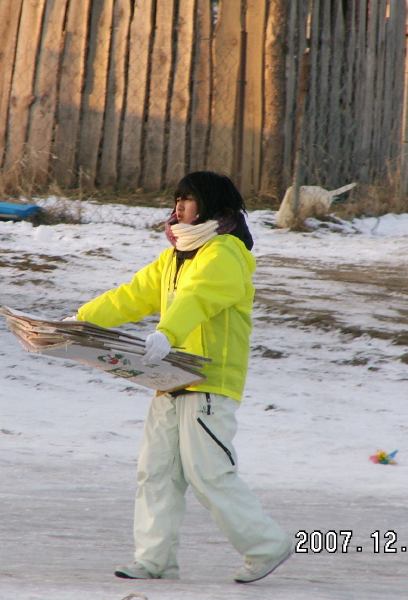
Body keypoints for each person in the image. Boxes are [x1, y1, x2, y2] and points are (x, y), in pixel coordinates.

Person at [71, 171, 292, 583]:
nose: (178, 208)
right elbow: (133, 294)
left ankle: (266, 545)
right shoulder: (174, 257)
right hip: (169, 379)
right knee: (156, 471)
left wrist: (167, 333)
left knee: (207, 472)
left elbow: (200, 296)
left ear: (210, 206)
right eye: (176, 199)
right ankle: (155, 559)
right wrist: (81, 320)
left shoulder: (225, 252)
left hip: (208, 382)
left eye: (188, 200)